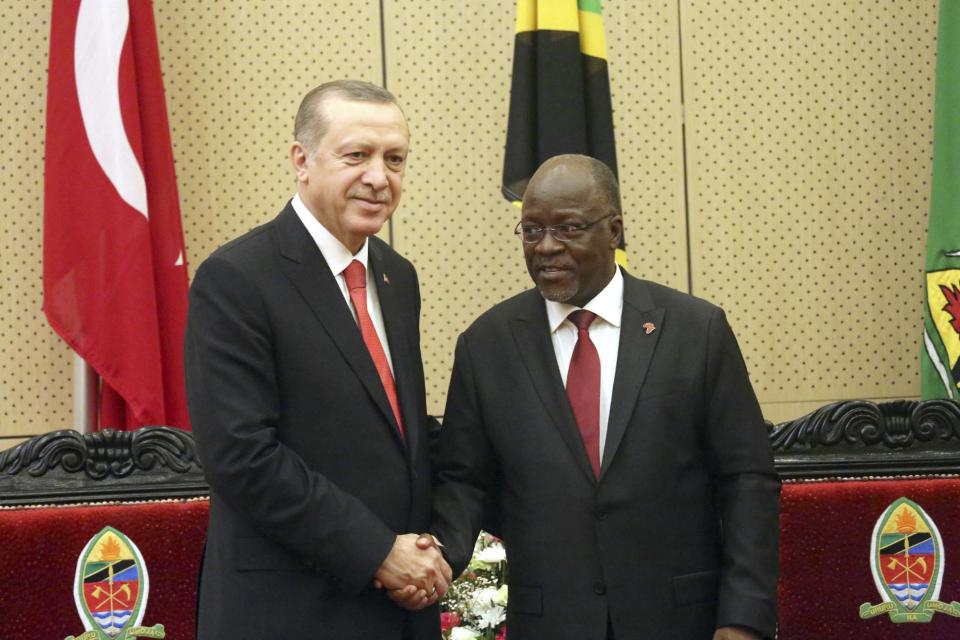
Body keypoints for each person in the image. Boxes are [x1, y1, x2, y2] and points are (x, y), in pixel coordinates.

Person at [401, 154, 780, 639]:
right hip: (551, 622)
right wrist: (436, 560)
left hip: (680, 618)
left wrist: (744, 616)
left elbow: (747, 478)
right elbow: (464, 481)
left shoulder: (695, 330)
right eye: (532, 230)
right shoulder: (487, 345)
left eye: (569, 229)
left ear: (614, 230)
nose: (547, 248)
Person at [184, 80, 450, 640]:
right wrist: (378, 551)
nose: (380, 178)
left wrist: (429, 549)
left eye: (395, 159)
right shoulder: (236, 278)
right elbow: (242, 456)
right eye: (357, 155)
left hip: (395, 613)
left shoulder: (396, 278)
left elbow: (397, 438)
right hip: (288, 610)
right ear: (301, 160)